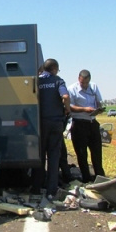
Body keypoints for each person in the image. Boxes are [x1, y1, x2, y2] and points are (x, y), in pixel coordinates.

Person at [31, 59, 71, 198]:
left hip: (40, 123)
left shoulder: (37, 81)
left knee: (39, 156)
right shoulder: (58, 81)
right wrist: (67, 109)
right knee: (54, 156)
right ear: (54, 69)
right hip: (55, 123)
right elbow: (65, 96)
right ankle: (51, 190)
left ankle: (36, 188)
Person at [68, 69, 105, 182]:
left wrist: (99, 108)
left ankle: (100, 178)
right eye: (82, 82)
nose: (84, 85)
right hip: (79, 124)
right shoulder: (72, 89)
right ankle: (86, 178)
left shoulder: (93, 87)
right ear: (79, 79)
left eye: (86, 83)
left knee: (97, 152)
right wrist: (84, 109)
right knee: (82, 154)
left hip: (92, 123)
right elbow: (69, 107)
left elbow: (99, 101)